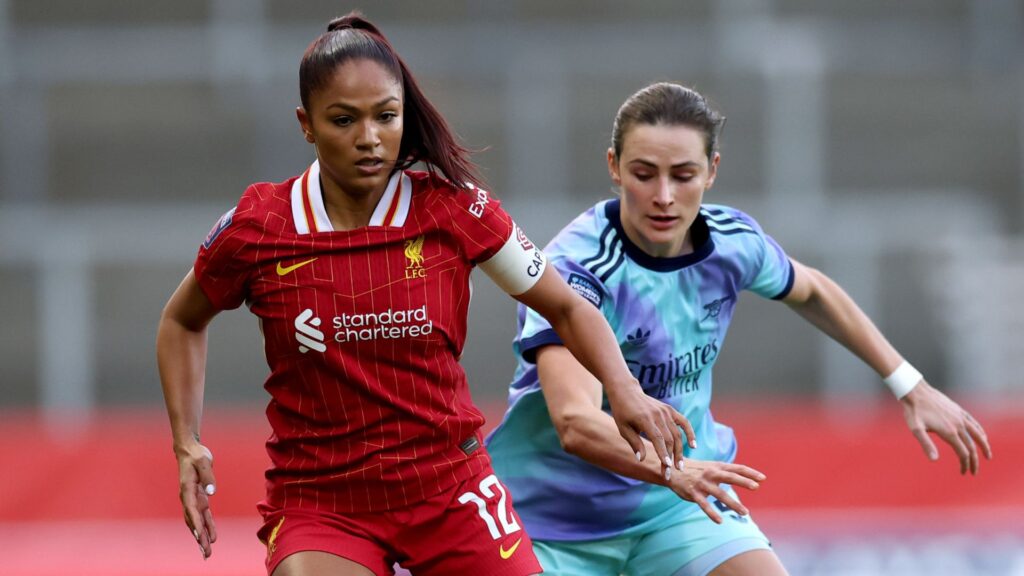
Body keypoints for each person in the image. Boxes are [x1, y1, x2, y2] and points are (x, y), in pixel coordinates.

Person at [155, 15, 695, 576]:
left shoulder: (454, 207)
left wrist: (624, 389)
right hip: (322, 500)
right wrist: (185, 441)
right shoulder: (259, 225)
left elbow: (564, 304)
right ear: (306, 125)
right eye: (344, 120)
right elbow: (181, 321)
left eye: (386, 117)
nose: (369, 138)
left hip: (447, 485)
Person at [485, 81, 993, 576]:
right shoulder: (577, 268)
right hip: (554, 523)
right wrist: (675, 470)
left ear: (712, 172)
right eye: (645, 173)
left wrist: (909, 384)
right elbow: (575, 423)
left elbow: (812, 290)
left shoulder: (732, 243)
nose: (663, 196)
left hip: (680, 506)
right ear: (614, 167)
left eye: (683, 175)